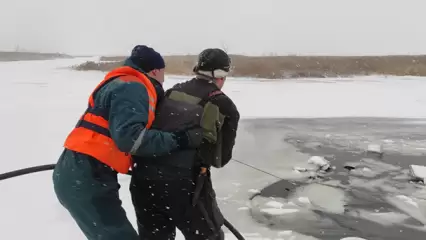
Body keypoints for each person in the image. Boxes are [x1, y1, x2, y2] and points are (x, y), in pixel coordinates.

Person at [52, 45, 203, 240]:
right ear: (155, 70)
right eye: (163, 72)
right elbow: (131, 138)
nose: (164, 79)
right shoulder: (133, 87)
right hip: (88, 174)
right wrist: (180, 140)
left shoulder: (119, 82)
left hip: (79, 169)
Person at [130, 48, 240, 240]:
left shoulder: (172, 92)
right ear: (222, 75)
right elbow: (219, 159)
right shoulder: (224, 105)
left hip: (144, 182)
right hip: (185, 188)